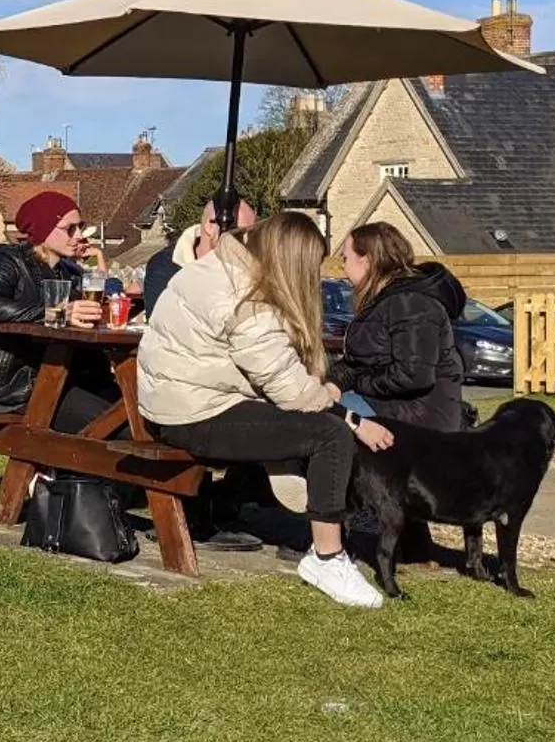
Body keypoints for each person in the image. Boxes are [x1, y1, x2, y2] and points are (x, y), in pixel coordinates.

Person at [138, 210, 397, 608]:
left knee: (301, 424)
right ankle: (327, 557)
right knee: (330, 435)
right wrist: (353, 419)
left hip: (180, 402)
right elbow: (287, 386)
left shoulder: (217, 267)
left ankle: (287, 473)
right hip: (193, 413)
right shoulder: (245, 299)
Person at [0, 189, 117, 429]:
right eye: (69, 228)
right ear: (43, 228)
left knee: (136, 412)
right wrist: (54, 312)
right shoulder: (12, 261)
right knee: (115, 425)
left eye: (80, 227)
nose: (79, 235)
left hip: (72, 379)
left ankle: (63, 468)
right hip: (20, 386)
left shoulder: (70, 272)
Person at [331, 223, 467, 431]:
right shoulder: (383, 303)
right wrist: (332, 383)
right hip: (388, 407)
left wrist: (356, 382)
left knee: (323, 420)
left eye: (345, 257)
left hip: (420, 419)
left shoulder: (412, 304)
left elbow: (414, 375)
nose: (342, 266)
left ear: (366, 260)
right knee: (316, 407)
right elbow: (356, 363)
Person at [140, 195, 255, 317]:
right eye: (239, 233)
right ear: (210, 227)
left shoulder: (251, 267)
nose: (247, 241)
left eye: (252, 234)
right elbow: (164, 322)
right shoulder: (166, 266)